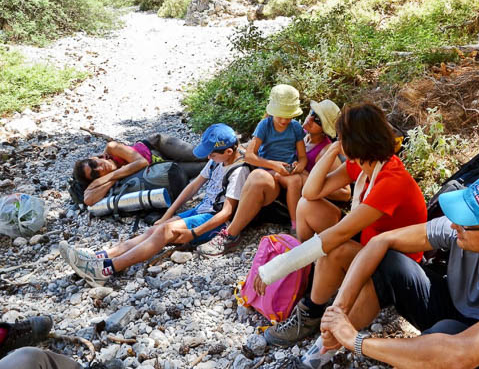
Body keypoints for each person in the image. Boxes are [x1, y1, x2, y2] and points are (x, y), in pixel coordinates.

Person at [300, 176, 479, 369]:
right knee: (389, 263)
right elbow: (381, 241)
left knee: (444, 339)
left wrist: (357, 341)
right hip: (462, 316)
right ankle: (321, 353)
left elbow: (459, 356)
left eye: (465, 222)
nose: (453, 225)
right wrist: (339, 314)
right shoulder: (471, 231)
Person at [253, 103, 427, 349]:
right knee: (307, 206)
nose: (337, 140)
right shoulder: (364, 163)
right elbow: (310, 192)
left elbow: (339, 234)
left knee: (333, 248)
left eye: (341, 137)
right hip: (370, 242)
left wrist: (274, 269)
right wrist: (334, 149)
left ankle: (311, 312)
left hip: (395, 266)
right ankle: (316, 278)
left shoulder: (391, 181)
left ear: (356, 143)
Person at [60, 124, 250, 287]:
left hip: (214, 221)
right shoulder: (217, 161)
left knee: (164, 232)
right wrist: (167, 216)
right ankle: (99, 257)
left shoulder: (238, 171)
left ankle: (105, 269)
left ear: (228, 152)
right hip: (201, 209)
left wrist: (193, 233)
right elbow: (192, 187)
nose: (208, 158)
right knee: (154, 229)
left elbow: (227, 212)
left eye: (211, 154)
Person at [198, 84, 308, 256]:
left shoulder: (295, 128)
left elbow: (302, 157)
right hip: (268, 175)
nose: (284, 121)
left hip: (287, 175)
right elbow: (250, 156)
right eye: (281, 116)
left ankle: (296, 227)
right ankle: (230, 235)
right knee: (257, 176)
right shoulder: (265, 125)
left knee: (294, 180)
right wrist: (274, 165)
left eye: (288, 116)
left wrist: (298, 166)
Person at [73, 133, 206, 206]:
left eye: (93, 163)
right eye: (95, 173)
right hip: (165, 168)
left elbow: (142, 162)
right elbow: (89, 200)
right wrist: (111, 179)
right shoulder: (109, 179)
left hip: (158, 147)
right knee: (205, 167)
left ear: (93, 157)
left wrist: (109, 177)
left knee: (202, 155)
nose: (99, 167)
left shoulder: (112, 148)